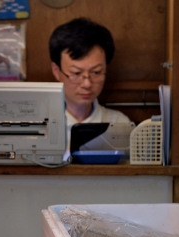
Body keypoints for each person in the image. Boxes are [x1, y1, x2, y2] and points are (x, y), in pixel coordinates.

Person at [49, 18, 130, 159]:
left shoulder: (119, 125)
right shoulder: (41, 123)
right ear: (56, 71)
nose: (87, 84)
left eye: (96, 72)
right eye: (76, 73)